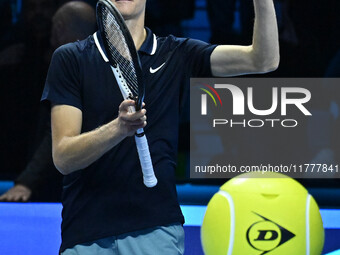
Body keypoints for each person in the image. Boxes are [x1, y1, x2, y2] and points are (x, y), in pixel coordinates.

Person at [41, 0, 279, 254]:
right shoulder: (70, 59)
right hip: (86, 235)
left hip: (156, 231)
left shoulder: (177, 54)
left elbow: (263, 60)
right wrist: (118, 129)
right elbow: (63, 157)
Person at [0, 1, 97, 202]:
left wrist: (27, 181)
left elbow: (55, 134)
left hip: (65, 185)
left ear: (59, 28)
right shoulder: (101, 65)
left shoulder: (70, 68)